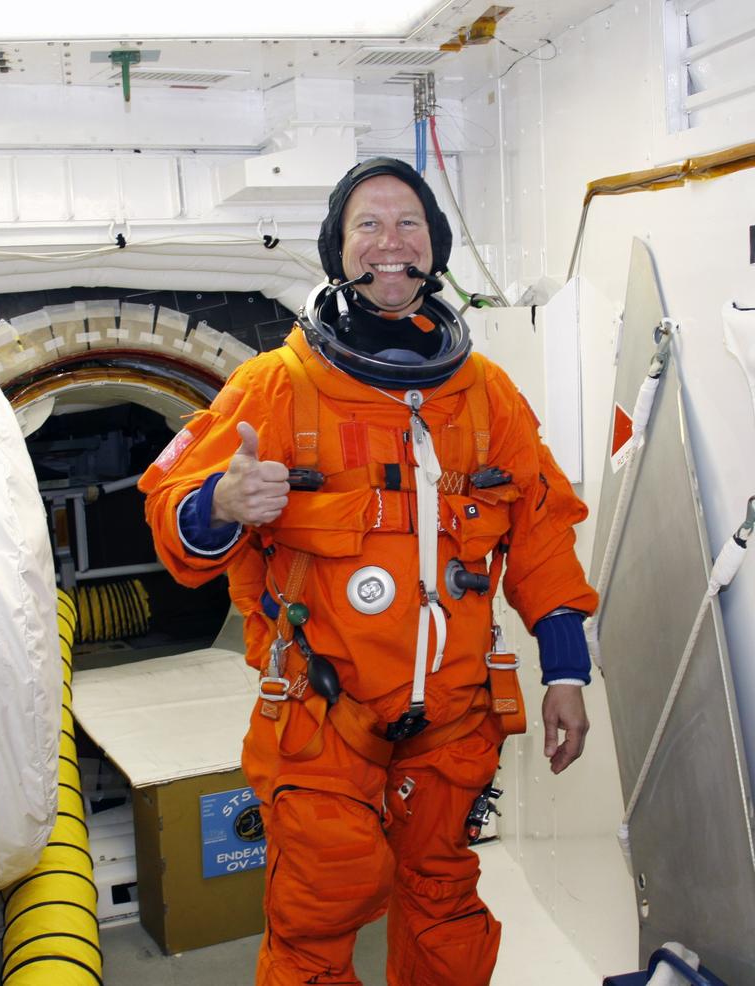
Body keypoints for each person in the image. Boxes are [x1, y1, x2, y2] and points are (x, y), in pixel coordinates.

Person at [139, 157, 598, 986]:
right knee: (319, 914)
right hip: (323, 717)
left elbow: (540, 528)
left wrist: (565, 671)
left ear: (436, 246)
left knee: (446, 906)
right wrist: (219, 504)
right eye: (369, 227)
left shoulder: (486, 394)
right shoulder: (275, 387)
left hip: (454, 717)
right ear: (338, 250)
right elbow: (169, 508)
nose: (392, 244)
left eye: (410, 224)